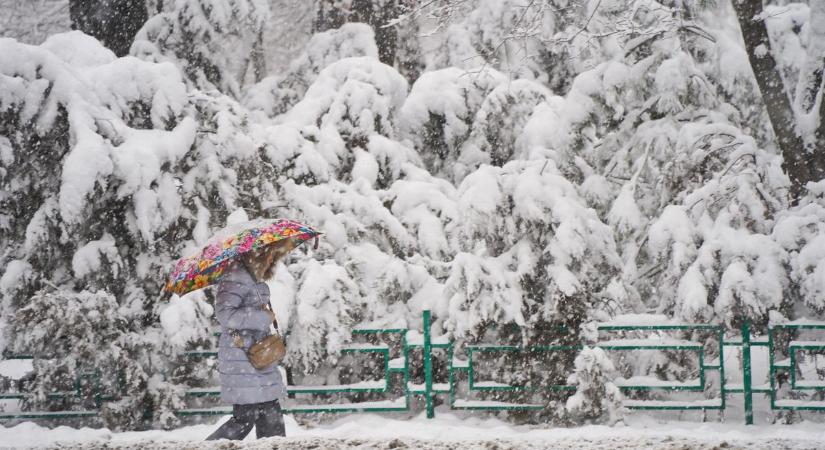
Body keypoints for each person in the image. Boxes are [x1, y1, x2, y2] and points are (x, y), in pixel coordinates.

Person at [205, 239, 295, 440]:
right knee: (245, 416)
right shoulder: (236, 276)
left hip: (257, 354)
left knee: (271, 414)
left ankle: (274, 446)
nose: (273, 258)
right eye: (271, 253)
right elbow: (224, 314)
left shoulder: (252, 276)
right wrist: (262, 317)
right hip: (241, 355)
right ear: (260, 253)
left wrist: (262, 313)